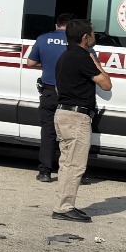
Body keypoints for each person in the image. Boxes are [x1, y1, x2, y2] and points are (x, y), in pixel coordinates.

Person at [51, 18, 111, 223]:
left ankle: (64, 205)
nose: (95, 37)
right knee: (75, 165)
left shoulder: (64, 57)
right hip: (76, 117)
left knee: (67, 164)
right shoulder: (81, 57)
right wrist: (95, 61)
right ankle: (64, 208)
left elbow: (58, 88)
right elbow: (106, 84)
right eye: (93, 34)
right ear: (85, 38)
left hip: (63, 113)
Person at [24, 13, 74, 183]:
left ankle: (45, 172)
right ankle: (72, 173)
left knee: (48, 133)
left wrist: (46, 64)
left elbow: (30, 63)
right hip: (71, 94)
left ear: (56, 25)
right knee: (71, 134)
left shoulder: (43, 39)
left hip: (49, 92)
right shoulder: (78, 41)